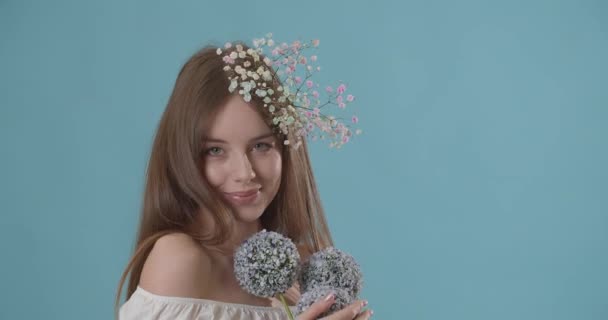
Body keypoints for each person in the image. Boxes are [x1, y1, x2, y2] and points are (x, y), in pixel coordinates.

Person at [115, 36, 371, 320]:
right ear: (183, 156)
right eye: (215, 150)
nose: (245, 173)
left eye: (261, 146)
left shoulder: (309, 265)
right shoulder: (181, 260)